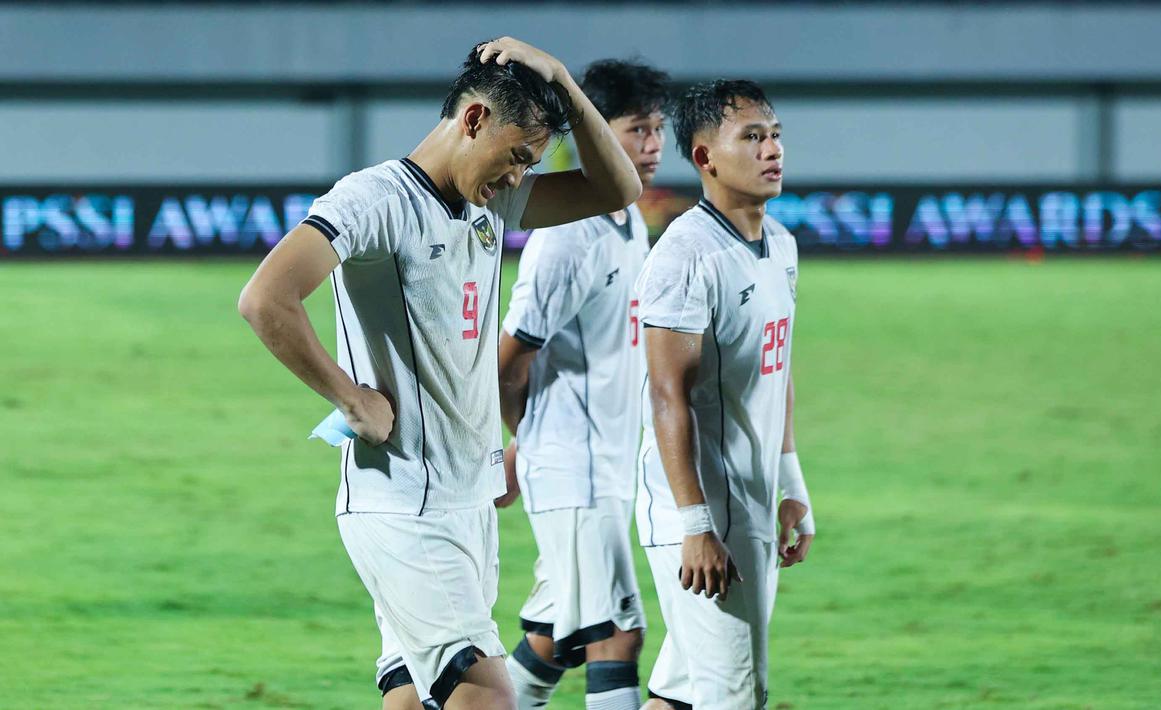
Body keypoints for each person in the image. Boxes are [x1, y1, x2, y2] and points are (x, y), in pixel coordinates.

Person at [237, 37, 641, 710]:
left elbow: (616, 188)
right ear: (474, 119)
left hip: (464, 499)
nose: (519, 177)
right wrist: (350, 396)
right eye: (517, 156)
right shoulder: (373, 198)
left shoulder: (489, 204)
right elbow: (264, 297)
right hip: (404, 503)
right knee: (487, 696)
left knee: (411, 697)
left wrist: (564, 82)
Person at [633, 79, 815, 710]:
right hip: (704, 514)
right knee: (735, 697)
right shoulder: (686, 255)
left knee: (678, 696)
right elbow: (666, 394)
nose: (773, 150)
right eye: (753, 137)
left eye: (775, 136)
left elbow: (777, 372)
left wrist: (791, 482)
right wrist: (695, 525)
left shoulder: (782, 247)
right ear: (706, 157)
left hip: (753, 500)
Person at [494, 59, 670, 710]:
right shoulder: (568, 234)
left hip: (601, 464)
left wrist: (525, 448)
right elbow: (509, 361)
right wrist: (529, 445)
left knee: (551, 638)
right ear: (588, 132)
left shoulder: (626, 219)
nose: (651, 146)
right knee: (615, 636)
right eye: (634, 130)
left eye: (657, 130)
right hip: (577, 471)